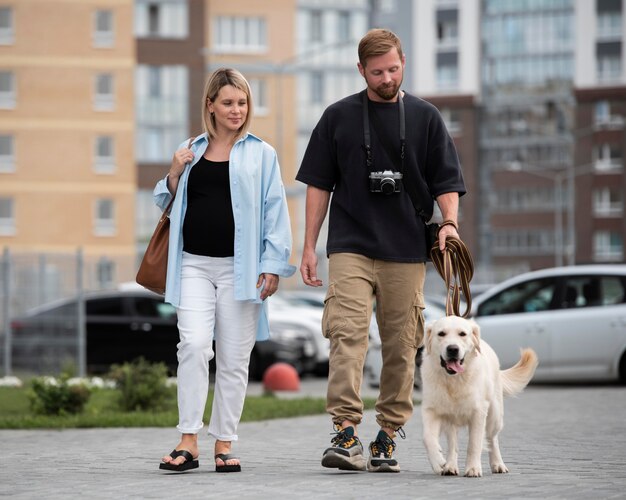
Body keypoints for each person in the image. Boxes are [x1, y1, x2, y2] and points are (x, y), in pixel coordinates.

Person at [296, 29, 466, 472]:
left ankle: (387, 435)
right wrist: (309, 247)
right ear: (360, 71)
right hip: (350, 243)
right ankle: (345, 432)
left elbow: (448, 184)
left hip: (406, 249)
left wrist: (449, 224)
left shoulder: (427, 117)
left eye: (393, 69)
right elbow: (318, 185)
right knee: (347, 338)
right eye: (377, 72)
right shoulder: (338, 117)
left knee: (401, 345)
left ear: (403, 62)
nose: (387, 78)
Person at [155, 68, 296, 473]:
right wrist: (174, 172)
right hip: (193, 265)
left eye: (243, 102)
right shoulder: (189, 149)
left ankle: (224, 442)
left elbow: (275, 213)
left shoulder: (262, 153)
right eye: (228, 103)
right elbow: (164, 200)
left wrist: (272, 266)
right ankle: (188, 440)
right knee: (195, 346)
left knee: (235, 359)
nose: (237, 110)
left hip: (242, 270)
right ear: (210, 106)